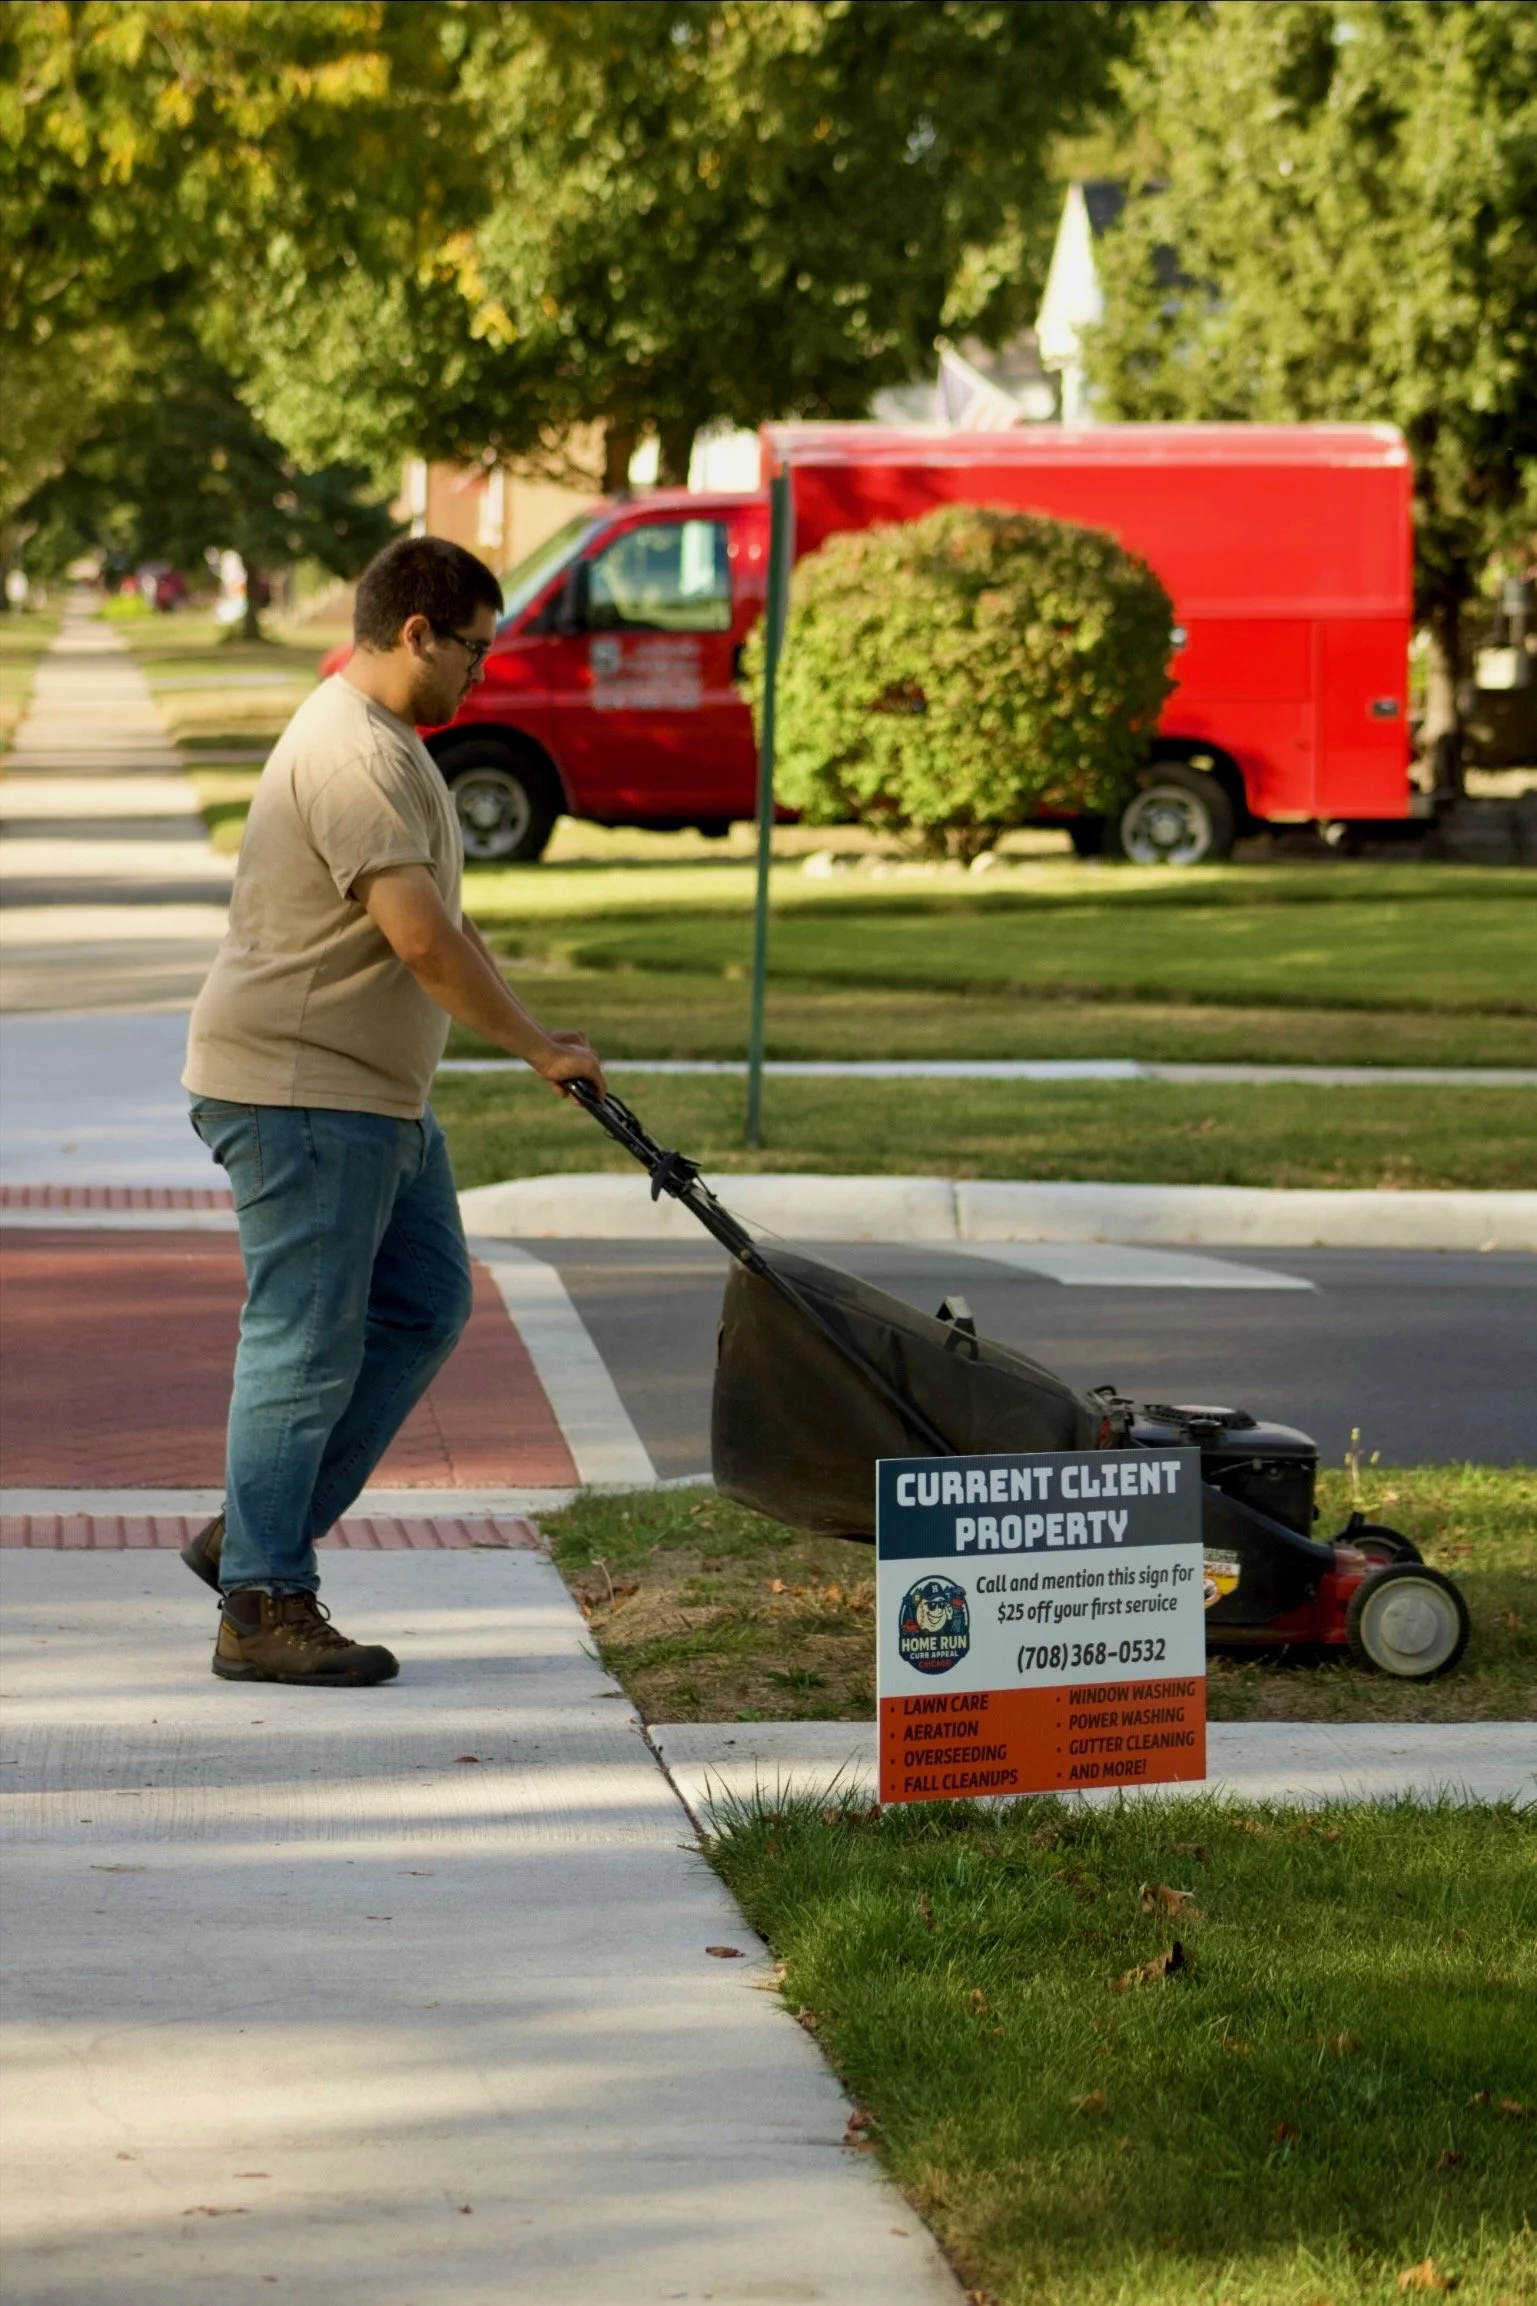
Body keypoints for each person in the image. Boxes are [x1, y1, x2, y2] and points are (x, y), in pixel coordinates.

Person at [181, 535, 604, 1687]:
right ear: (416, 631)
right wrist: (525, 1048)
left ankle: (252, 1531)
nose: (484, 673)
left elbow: (450, 927)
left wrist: (541, 1040)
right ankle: (262, 1602)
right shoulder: (350, 753)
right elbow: (415, 940)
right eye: (473, 648)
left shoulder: (394, 747)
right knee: (304, 1345)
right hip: (300, 1090)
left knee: (424, 1306)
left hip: (370, 1097)